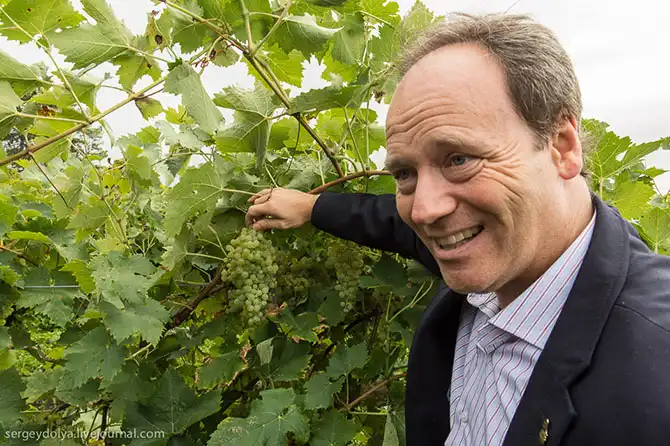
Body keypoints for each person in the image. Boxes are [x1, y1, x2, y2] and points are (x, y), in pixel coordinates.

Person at [244, 13, 670, 446]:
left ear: (562, 147)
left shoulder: (654, 381)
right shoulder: (489, 252)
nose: (425, 211)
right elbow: (393, 224)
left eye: (460, 159)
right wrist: (313, 207)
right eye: (405, 174)